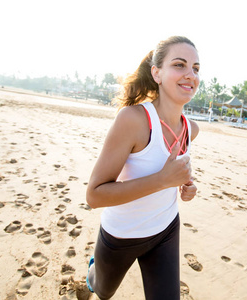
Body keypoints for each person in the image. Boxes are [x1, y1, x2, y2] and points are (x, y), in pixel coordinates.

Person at [85, 36, 200, 300]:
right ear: (157, 73)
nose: (190, 75)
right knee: (102, 292)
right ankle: (94, 273)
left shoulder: (191, 129)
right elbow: (94, 195)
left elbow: (176, 171)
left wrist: (186, 185)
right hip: (121, 236)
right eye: (180, 65)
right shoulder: (134, 120)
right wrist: (162, 180)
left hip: (166, 230)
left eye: (195, 68)